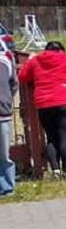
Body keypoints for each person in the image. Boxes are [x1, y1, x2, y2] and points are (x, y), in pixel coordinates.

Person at [17, 41, 66, 179]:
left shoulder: (36, 60)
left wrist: (30, 61)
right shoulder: (65, 58)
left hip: (44, 103)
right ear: (61, 50)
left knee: (51, 137)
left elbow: (23, 77)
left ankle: (55, 169)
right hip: (64, 100)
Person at [0, 50, 17, 195]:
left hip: (3, 115)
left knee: (4, 154)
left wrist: (6, 100)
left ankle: (7, 187)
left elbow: (14, 84)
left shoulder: (5, 60)